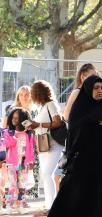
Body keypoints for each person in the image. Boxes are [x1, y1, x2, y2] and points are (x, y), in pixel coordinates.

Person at [42, 76, 102, 217]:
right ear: (89, 89)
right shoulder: (80, 108)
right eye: (96, 88)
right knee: (75, 194)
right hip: (83, 161)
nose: (100, 91)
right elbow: (74, 130)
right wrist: (92, 120)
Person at [28, 80, 63, 210]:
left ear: (38, 93)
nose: (31, 95)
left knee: (48, 174)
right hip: (44, 145)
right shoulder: (42, 107)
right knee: (46, 174)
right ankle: (50, 204)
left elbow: (57, 122)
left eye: (33, 92)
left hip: (54, 144)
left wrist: (38, 125)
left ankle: (52, 206)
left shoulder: (50, 105)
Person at [2, 109, 35, 213]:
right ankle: (9, 205)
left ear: (22, 120)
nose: (14, 120)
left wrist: (31, 161)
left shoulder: (28, 134)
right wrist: (15, 136)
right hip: (11, 163)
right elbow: (6, 144)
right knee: (11, 184)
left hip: (23, 163)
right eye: (13, 117)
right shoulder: (8, 132)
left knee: (22, 185)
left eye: (17, 118)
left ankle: (20, 205)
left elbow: (31, 147)